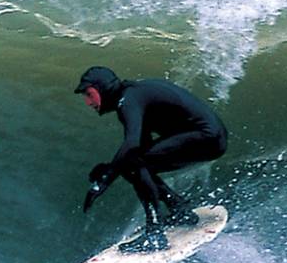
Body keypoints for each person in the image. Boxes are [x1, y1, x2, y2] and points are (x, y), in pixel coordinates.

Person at [73, 65, 228, 253]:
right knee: (133, 164)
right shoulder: (134, 96)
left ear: (103, 87)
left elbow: (131, 146)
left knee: (134, 163)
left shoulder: (128, 101)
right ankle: (179, 210)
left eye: (89, 94)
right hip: (210, 138)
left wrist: (105, 180)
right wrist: (112, 169)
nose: (88, 102)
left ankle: (154, 234)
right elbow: (138, 147)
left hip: (206, 137)